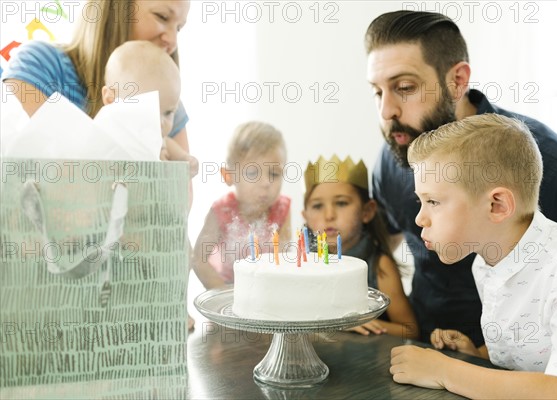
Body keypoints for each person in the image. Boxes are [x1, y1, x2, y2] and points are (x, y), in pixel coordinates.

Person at [365, 10, 557, 346]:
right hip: (424, 344)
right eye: (377, 92)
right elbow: (380, 245)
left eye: (405, 87)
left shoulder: (548, 160)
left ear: (458, 81)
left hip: (527, 366)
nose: (387, 110)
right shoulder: (392, 159)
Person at [389, 113, 557, 399]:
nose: (420, 219)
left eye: (434, 201)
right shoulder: (484, 262)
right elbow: (532, 355)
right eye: (420, 201)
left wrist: (446, 371)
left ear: (497, 205)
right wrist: (477, 354)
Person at [2, 0, 198, 177]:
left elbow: (178, 206)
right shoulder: (39, 64)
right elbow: (20, 173)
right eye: (162, 17)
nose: (172, 41)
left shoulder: (167, 102)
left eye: (179, 28)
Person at [302, 155, 418, 338]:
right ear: (305, 216)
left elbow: (410, 331)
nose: (329, 215)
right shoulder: (302, 265)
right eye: (317, 206)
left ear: (367, 211)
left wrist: (360, 322)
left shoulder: (380, 267)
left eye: (341, 203)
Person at [192, 121, 291, 289]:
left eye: (274, 174)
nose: (266, 183)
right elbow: (198, 260)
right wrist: (223, 294)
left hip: (268, 293)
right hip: (228, 294)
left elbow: (282, 260)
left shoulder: (281, 209)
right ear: (229, 176)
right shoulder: (221, 211)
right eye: (252, 173)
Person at [102, 40, 189, 163]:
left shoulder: (158, 140)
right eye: (147, 110)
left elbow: (170, 145)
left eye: (168, 112)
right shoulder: (106, 134)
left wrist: (185, 159)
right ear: (111, 100)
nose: (159, 122)